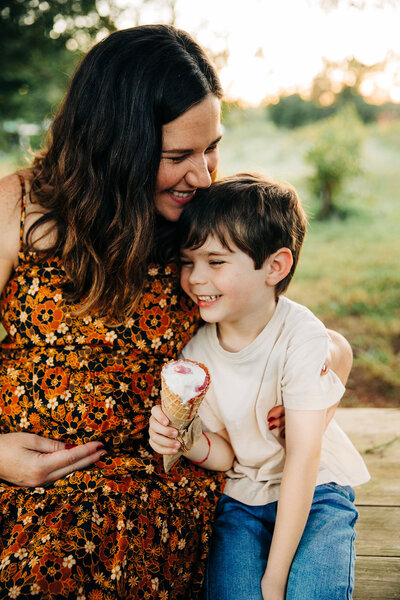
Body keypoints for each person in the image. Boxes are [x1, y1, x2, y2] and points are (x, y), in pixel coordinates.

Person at [0, 23, 350, 600]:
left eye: (212, 146)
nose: (204, 175)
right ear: (114, 146)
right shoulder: (18, 206)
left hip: (157, 486)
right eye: (177, 155)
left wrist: (331, 363)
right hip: (25, 484)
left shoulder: (193, 223)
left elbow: (292, 325)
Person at [149, 174, 370, 600]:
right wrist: (184, 439)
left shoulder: (300, 335)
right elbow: (227, 453)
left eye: (215, 262)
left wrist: (275, 576)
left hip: (318, 489)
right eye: (188, 261)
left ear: (275, 267)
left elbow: (305, 456)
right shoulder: (196, 354)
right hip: (243, 498)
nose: (195, 278)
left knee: (311, 593)